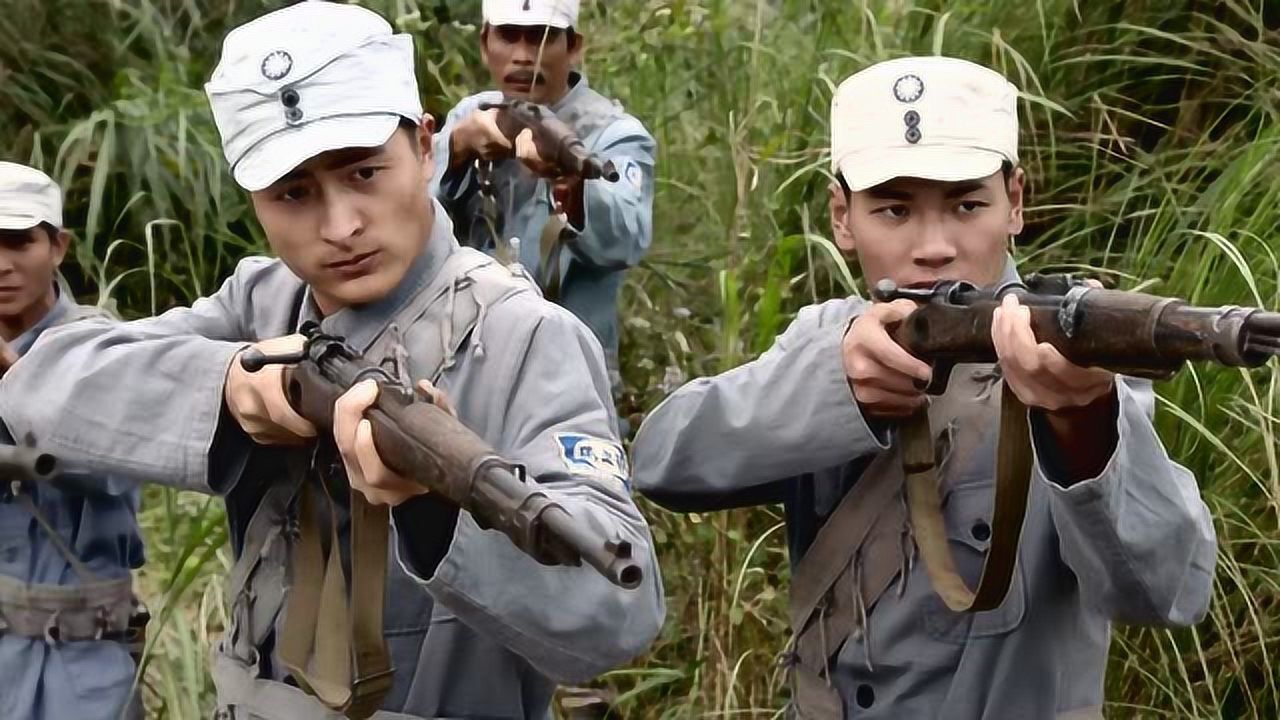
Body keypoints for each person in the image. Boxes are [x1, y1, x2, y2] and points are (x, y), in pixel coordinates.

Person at [0, 3, 664, 719]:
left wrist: (435, 510)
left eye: (365, 173)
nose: (340, 226)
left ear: (425, 146)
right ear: (253, 201)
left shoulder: (525, 337)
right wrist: (235, 388)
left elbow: (620, 609)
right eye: (293, 194)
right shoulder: (265, 300)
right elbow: (45, 381)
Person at [631, 56, 1216, 719]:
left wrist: (1081, 419)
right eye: (894, 208)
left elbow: (1165, 591)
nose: (934, 246)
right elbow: (661, 461)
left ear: (1015, 203)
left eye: (967, 204)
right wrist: (836, 388)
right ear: (842, 217)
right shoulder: (826, 340)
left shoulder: (1077, 356)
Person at [431, 0, 655, 391]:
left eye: (540, 38)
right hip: (464, 358)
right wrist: (458, 147)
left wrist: (574, 186)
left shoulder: (614, 133)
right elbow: (410, 212)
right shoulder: (471, 114)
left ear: (573, 46)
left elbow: (628, 236)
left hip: (566, 371)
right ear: (485, 44)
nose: (522, 56)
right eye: (508, 36)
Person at [0, 161, 146, 720]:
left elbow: (118, 467)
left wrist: (17, 388)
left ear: (58, 246)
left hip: (80, 665)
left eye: (19, 242)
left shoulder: (105, 349)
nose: (3, 264)